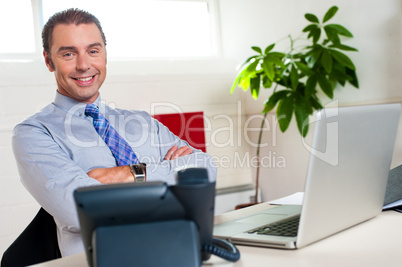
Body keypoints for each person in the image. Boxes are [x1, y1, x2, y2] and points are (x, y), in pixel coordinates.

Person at [12, 8, 217, 257]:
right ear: (48, 61)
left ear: (105, 56)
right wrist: (168, 176)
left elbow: (205, 171)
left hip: (175, 250)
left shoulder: (141, 122)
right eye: (68, 53)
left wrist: (126, 175)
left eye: (93, 51)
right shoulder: (34, 133)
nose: (84, 64)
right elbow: (78, 210)